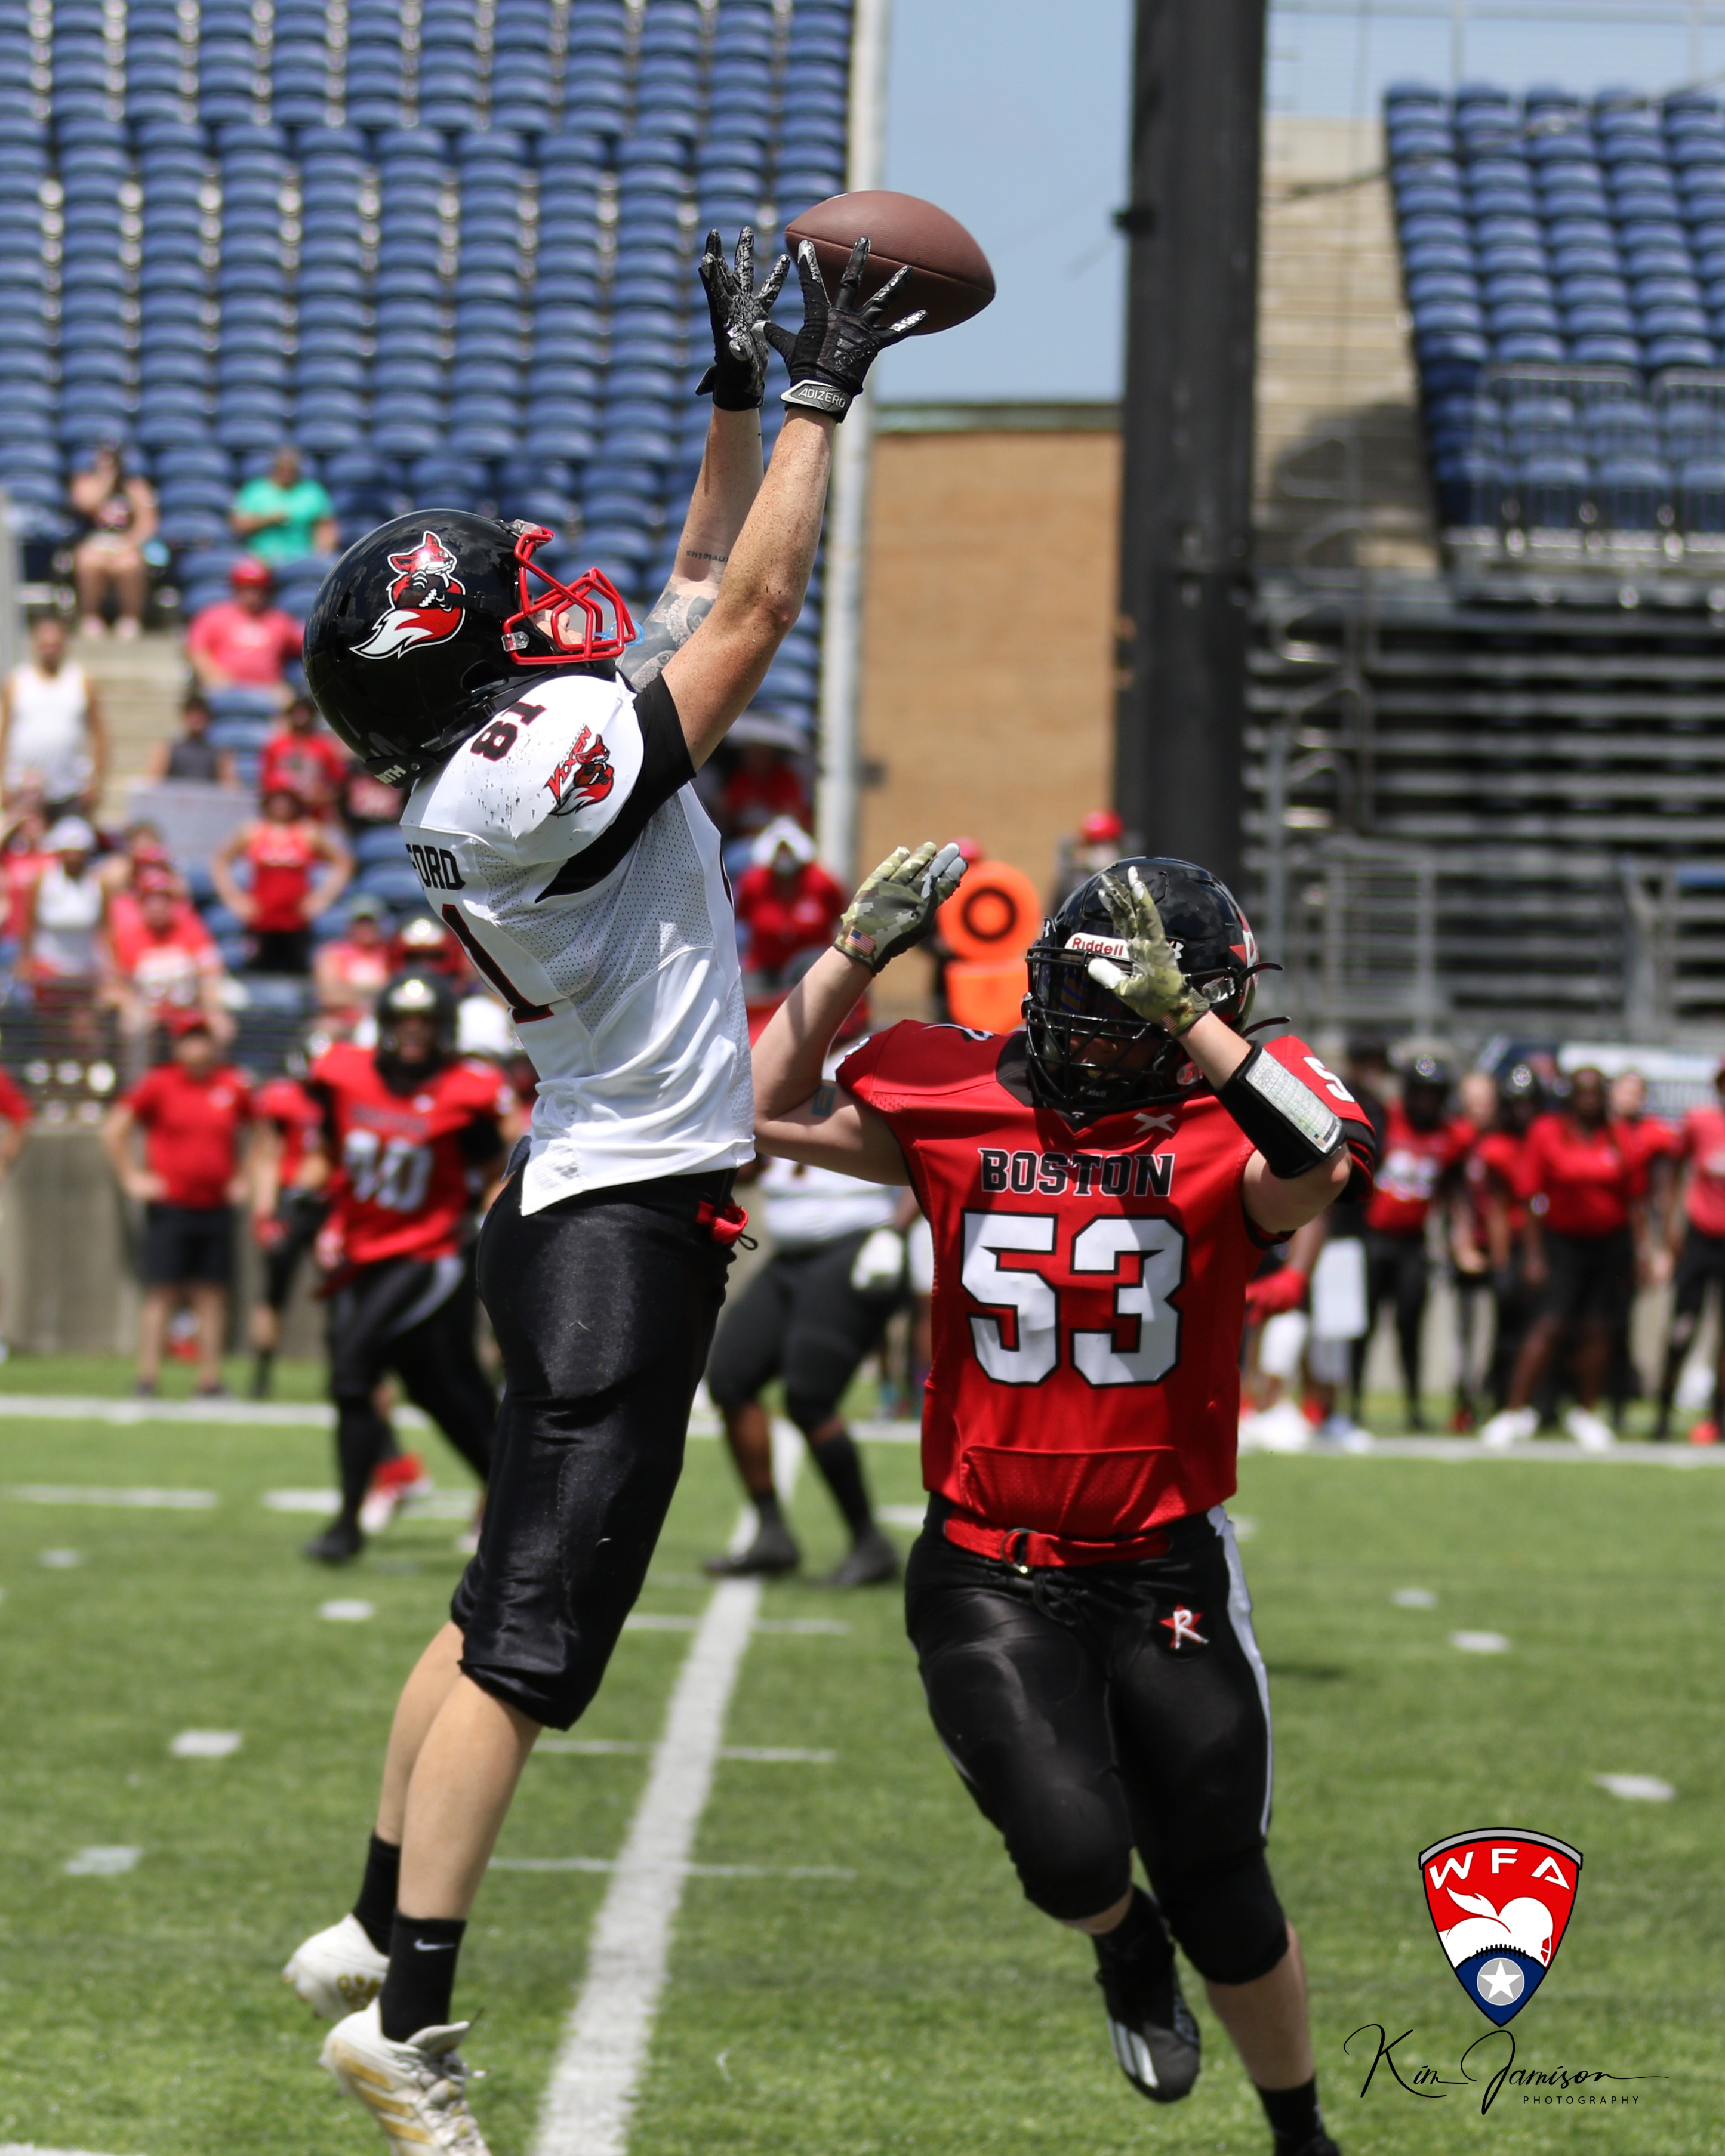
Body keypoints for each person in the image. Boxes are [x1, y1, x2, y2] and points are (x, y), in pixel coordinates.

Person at [284, 227, 920, 2152]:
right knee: (533, 1654)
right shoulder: (519, 768)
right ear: (463, 675)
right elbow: (757, 612)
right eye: (500, 606)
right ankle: (409, 2020)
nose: (540, 603)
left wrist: (733, 397)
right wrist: (824, 396)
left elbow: (697, 582)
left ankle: (374, 1916)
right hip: (620, 1227)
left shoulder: (489, 761)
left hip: (580, 1198)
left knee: (493, 1600)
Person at [751, 847, 1374, 2156]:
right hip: (991, 1561)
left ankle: (1300, 2134)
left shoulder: (1238, 1116)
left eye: (1128, 1002)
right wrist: (854, 954)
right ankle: (1122, 1942)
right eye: (1083, 995)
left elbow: (1321, 1159)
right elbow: (748, 1106)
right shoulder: (958, 1088)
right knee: (1072, 1856)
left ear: (1203, 1003)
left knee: (1223, 1886)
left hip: (1164, 1563)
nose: (1095, 1030)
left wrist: (1182, 1022)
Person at [297, 972, 510, 1563]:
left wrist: (494, 1232)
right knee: (439, 1390)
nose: (414, 1033)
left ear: (445, 1029)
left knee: (351, 1369)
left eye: (426, 1022)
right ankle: (517, 1496)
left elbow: (496, 1168)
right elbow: (327, 1151)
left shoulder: (464, 1091)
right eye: (403, 1021)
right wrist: (304, 1195)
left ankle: (347, 1524)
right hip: (364, 1252)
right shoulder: (345, 1074)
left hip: (429, 1253)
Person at [701, 1143, 907, 1586]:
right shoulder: (776, 1094)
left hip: (856, 1242)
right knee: (731, 1378)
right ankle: (772, 1534)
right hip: (789, 1255)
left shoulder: (874, 1095)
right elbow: (755, 1164)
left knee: (809, 1397)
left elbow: (926, 1159)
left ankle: (869, 1542)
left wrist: (897, 1230)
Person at [1479, 1067, 1644, 1450]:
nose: (1589, 1100)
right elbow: (1529, 1194)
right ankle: (1514, 1410)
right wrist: (1533, 1254)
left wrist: (1642, 1251)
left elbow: (1635, 1197)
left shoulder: (1619, 1136)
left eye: (1595, 1093)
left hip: (1610, 1243)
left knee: (1599, 1328)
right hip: (1561, 1243)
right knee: (1549, 1325)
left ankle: (1586, 1411)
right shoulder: (1547, 1132)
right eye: (1582, 1093)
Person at [103, 1012, 252, 1396]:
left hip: (215, 1205)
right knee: (162, 1291)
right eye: (190, 1039)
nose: (197, 1047)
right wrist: (132, 1177)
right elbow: (115, 1128)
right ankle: (147, 1377)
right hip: (172, 1205)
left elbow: (264, 1133)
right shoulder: (160, 1084)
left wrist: (246, 1177)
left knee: (212, 1294)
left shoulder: (232, 1084)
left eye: (203, 1039)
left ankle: (209, 1380)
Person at [1357, 1055, 1470, 1431]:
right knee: (1364, 1324)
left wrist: (1460, 1242)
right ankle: (1352, 1404)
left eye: (1433, 1094)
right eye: (1420, 1093)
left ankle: (1414, 1406)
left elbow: (1455, 1195)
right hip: (1375, 1237)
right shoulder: (1386, 1120)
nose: (1426, 1102)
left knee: (1411, 1326)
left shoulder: (1451, 1136)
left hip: (1413, 1242)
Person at [248, 1044, 329, 1399]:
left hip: (332, 1202)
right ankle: (261, 1374)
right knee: (273, 1293)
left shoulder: (343, 1100)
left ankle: (344, 1369)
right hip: (292, 1204)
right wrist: (265, 1213)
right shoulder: (284, 1100)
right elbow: (268, 1155)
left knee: (342, 1297)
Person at [1653, 1056, 1725, 1443]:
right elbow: (1672, 1166)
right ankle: (1663, 1411)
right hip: (1700, 1237)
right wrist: (1671, 1226)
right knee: (1683, 1327)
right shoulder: (1700, 1122)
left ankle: (1718, 1417)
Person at [212, 783, 352, 975]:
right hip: (261, 917)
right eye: (277, 800)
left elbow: (342, 862)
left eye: (287, 800)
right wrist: (234, 898)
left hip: (297, 918)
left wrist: (322, 898)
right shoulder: (253, 831)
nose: (282, 805)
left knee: (297, 971)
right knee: (259, 971)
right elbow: (220, 861)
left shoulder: (308, 832)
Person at [105, 863, 230, 1076]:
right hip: (148, 1011)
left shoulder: (191, 930)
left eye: (163, 900)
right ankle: (137, 1086)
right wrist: (131, 1006)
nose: (157, 906)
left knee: (221, 1027)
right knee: (134, 1026)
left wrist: (210, 1009)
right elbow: (116, 984)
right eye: (151, 900)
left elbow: (211, 972)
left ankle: (215, 1086)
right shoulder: (129, 937)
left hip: (188, 1009)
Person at [1, 615, 107, 817]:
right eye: (45, 644)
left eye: (55, 644)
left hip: (70, 788)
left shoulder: (81, 681)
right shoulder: (17, 681)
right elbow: (4, 735)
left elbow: (100, 736)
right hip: (23, 788)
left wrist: (97, 782)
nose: (50, 649)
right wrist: (2, 783)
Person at [732, 815, 848, 991]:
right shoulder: (752, 883)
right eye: (780, 851)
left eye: (788, 851)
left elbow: (840, 916)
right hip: (764, 967)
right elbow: (741, 918)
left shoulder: (822, 883)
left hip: (811, 968)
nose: (784, 857)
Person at [25, 815, 108, 1056]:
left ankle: (87, 1072)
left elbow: (106, 929)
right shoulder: (44, 881)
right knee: (52, 1029)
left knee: (83, 1030)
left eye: (79, 852)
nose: (74, 857)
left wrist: (109, 969)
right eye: (69, 851)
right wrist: (25, 962)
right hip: (49, 967)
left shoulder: (98, 884)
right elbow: (29, 924)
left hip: (85, 969)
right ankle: (55, 1072)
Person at [1449, 1069, 1501, 1429]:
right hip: (1468, 1248)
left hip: (1503, 1247)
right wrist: (1460, 1243)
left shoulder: (1503, 1138)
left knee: (1498, 1332)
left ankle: (1495, 1401)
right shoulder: (1457, 1139)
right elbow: (1454, 1198)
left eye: (1485, 1101)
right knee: (1465, 1335)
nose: (1480, 1108)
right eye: (1474, 1101)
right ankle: (1464, 1404)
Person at [69, 440, 158, 639]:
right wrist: (106, 479)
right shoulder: (85, 482)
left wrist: (130, 543)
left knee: (129, 565)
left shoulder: (135, 487)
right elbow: (88, 505)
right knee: (90, 562)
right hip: (94, 541)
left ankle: (130, 618)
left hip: (124, 542)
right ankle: (90, 616)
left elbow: (147, 523)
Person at [185, 557, 304, 696]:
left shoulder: (279, 621)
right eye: (246, 588)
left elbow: (307, 643)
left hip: (269, 691)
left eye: (258, 589)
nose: (253, 595)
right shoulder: (214, 616)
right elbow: (196, 649)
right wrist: (212, 675)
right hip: (224, 688)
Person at [232, 443, 339, 567]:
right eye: (282, 468)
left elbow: (326, 526)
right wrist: (267, 519)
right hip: (260, 557)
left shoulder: (312, 492)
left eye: (291, 469)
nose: (286, 472)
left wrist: (321, 552)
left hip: (302, 558)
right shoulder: (255, 490)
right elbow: (238, 526)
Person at [715, 717, 809, 840]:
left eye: (761, 753)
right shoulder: (741, 778)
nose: (756, 758)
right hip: (744, 840)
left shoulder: (784, 778)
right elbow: (726, 812)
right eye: (752, 753)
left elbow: (794, 813)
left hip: (779, 839)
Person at [261, 693, 352, 818]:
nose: (301, 716)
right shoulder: (276, 745)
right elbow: (267, 780)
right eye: (297, 712)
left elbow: (338, 781)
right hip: (284, 811)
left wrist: (321, 795)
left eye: (305, 711)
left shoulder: (325, 746)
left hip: (316, 812)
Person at [315, 892, 393, 1032]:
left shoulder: (390, 954)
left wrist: (350, 991)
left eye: (370, 923)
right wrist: (371, 996)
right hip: (344, 1022)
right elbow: (329, 996)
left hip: (383, 1020)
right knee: (326, 1029)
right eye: (361, 924)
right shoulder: (333, 954)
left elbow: (396, 993)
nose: (366, 929)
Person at [146, 692, 239, 786]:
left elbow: (230, 788)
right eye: (192, 713)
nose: (196, 718)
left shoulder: (220, 753)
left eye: (201, 714)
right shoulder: (168, 749)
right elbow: (153, 783)